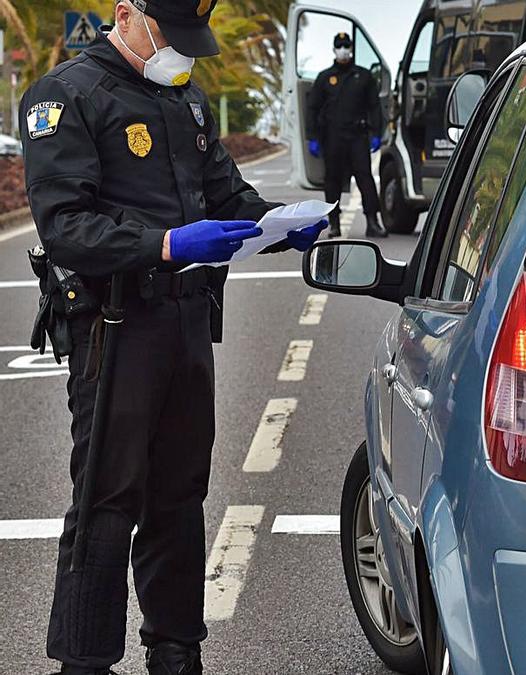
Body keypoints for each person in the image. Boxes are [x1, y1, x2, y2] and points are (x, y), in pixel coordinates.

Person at [19, 1, 327, 673]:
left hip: (186, 322)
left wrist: (281, 222)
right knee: (107, 494)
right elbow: (64, 222)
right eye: (169, 35)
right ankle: (85, 658)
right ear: (126, 13)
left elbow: (225, 195)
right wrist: (161, 243)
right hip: (115, 325)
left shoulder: (184, 100)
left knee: (179, 494)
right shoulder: (66, 95)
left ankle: (177, 649)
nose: (181, 53)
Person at [305, 32, 387, 238]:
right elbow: (312, 109)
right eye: (339, 46)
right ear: (334, 49)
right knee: (332, 181)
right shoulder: (324, 77)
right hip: (332, 137)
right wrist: (312, 137)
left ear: (351, 48)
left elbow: (374, 106)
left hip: (357, 136)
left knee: (365, 178)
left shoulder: (363, 76)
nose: (343, 49)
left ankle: (372, 221)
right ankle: (334, 223)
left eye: (346, 46)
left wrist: (377, 132)